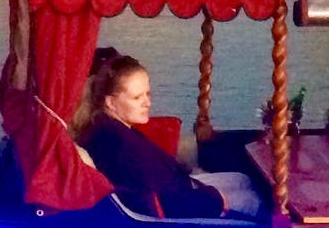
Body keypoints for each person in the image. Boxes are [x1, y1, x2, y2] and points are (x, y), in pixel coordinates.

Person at [76, 50, 234, 219]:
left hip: (186, 187)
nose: (148, 103)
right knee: (255, 200)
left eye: (147, 94)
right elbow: (164, 201)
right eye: (137, 98)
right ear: (111, 103)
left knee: (241, 180)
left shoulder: (111, 130)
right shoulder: (120, 145)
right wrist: (214, 201)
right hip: (185, 208)